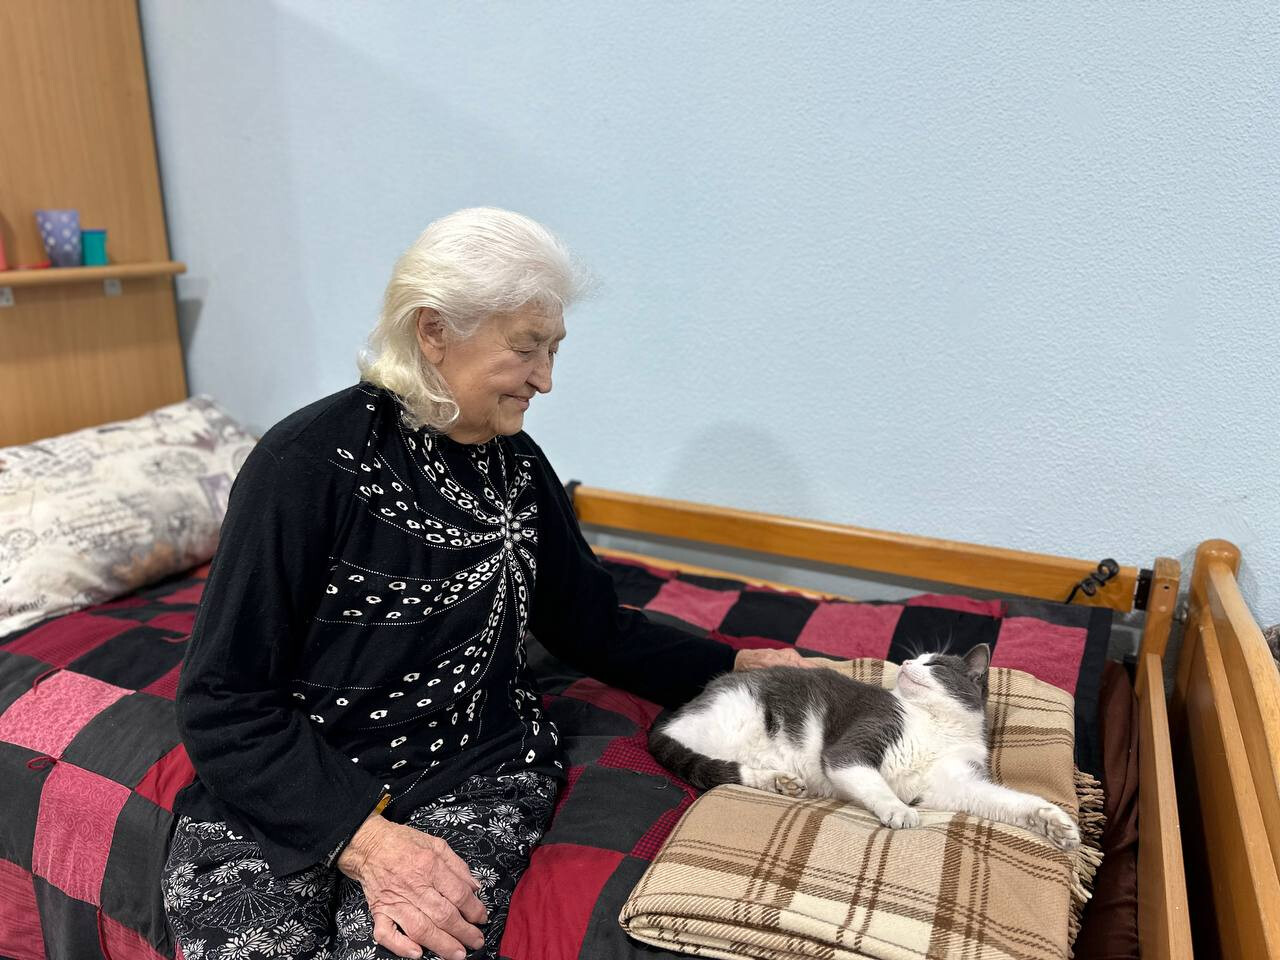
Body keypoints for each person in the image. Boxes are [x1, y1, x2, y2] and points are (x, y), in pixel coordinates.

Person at [161, 208, 813, 960]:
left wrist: (732, 666)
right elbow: (222, 699)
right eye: (526, 348)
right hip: (294, 770)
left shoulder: (519, 468)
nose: (546, 379)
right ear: (434, 330)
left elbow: (592, 626)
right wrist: (367, 843)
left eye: (553, 350)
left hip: (470, 769)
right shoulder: (306, 463)